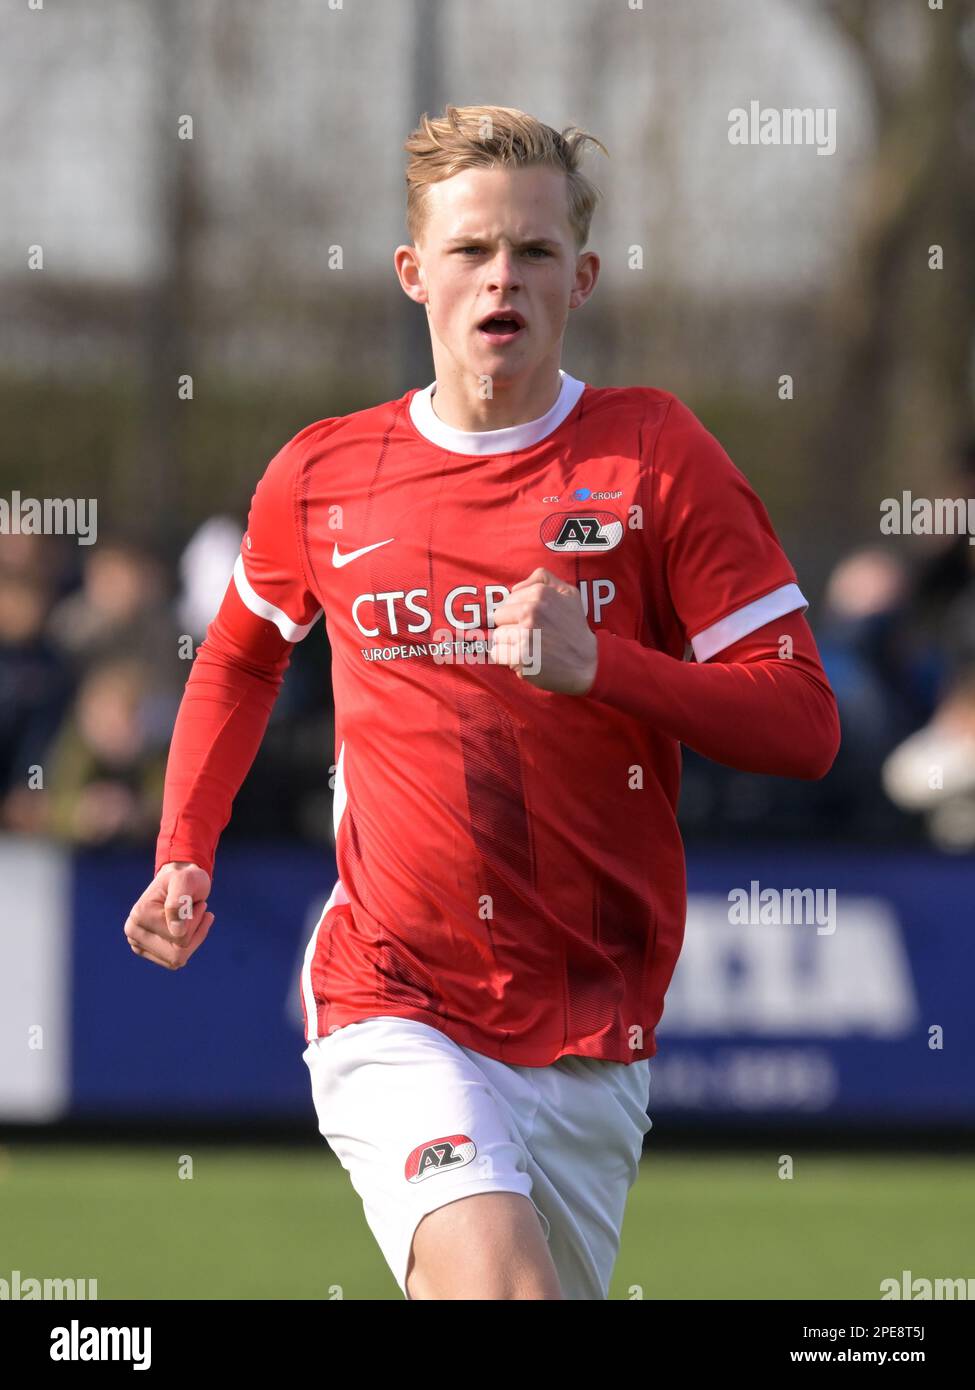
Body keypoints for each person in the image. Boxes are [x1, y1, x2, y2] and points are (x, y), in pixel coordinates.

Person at [123, 104, 840, 1300]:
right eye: (469, 251)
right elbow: (244, 655)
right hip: (390, 993)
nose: (500, 277)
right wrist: (185, 845)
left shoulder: (657, 457)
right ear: (415, 273)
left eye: (534, 252)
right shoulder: (323, 474)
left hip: (591, 1029)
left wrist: (607, 662)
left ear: (583, 277)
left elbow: (805, 721)